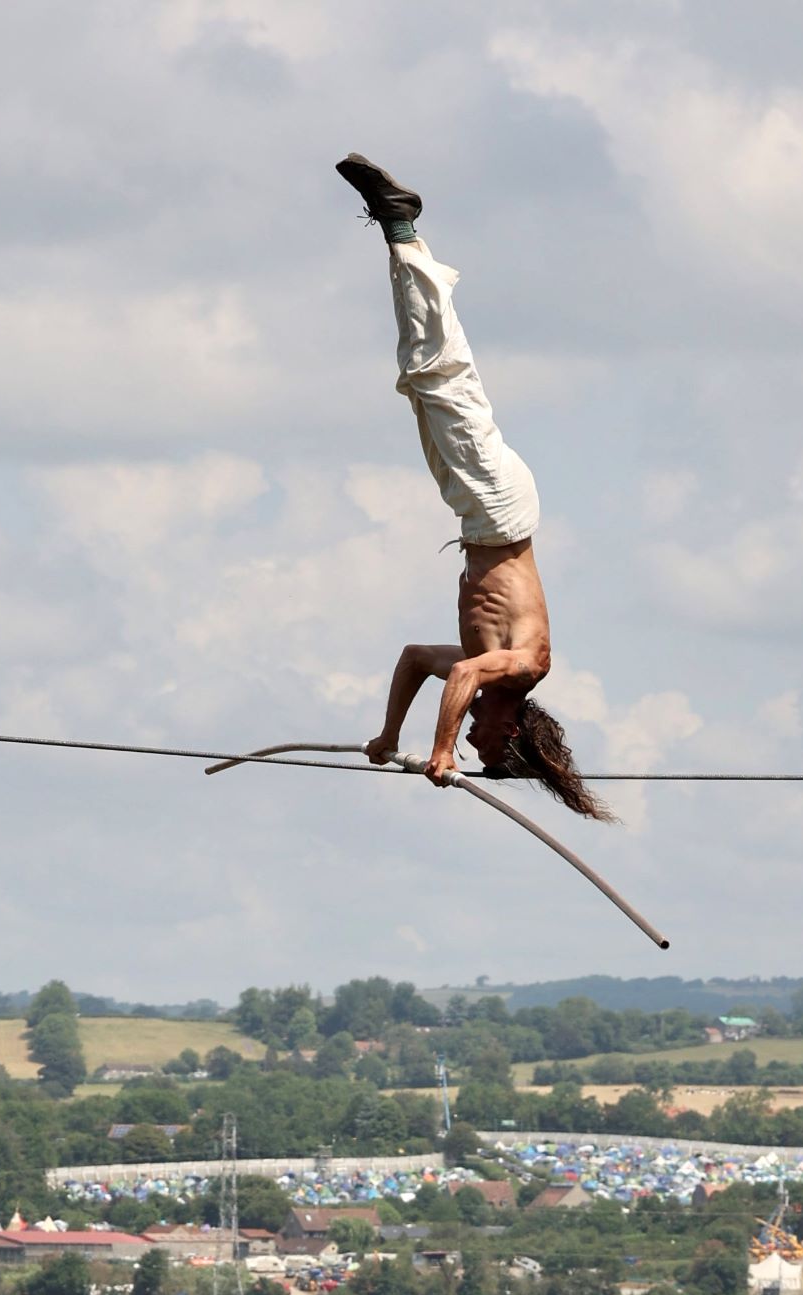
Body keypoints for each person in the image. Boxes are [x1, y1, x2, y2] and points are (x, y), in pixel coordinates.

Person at [336, 154, 605, 819]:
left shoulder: (485, 658)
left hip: (478, 515)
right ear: (507, 730)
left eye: (474, 748)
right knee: (444, 376)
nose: (479, 744)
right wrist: (444, 749)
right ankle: (402, 226)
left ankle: (401, 238)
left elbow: (414, 661)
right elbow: (459, 678)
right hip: (499, 511)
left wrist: (390, 735)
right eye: (487, 748)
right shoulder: (524, 665)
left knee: (421, 378)